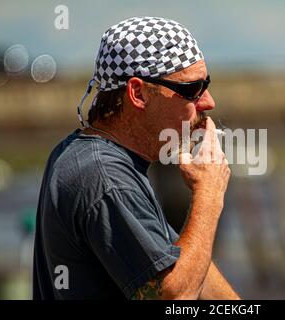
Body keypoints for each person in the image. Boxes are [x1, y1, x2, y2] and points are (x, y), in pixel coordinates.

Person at [33, 16, 240, 300]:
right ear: (138, 93)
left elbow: (181, 263)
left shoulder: (90, 155)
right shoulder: (106, 178)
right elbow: (173, 297)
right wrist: (209, 194)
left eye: (206, 84)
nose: (208, 102)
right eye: (191, 89)